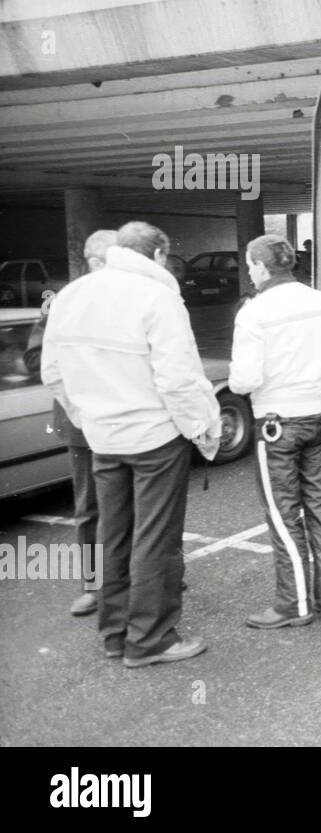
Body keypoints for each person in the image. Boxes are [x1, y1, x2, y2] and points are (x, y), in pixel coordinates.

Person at [42, 221, 220, 667]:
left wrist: (87, 416)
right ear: (158, 255)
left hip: (102, 436)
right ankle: (150, 640)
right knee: (155, 539)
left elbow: (53, 373)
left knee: (112, 535)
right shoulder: (157, 297)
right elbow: (177, 379)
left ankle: (114, 634)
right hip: (155, 437)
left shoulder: (71, 296)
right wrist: (200, 428)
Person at [229, 235, 321, 629]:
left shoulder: (254, 313)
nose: (249, 271)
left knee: (284, 516)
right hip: (317, 415)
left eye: (249, 264)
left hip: (277, 422)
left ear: (262, 267)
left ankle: (293, 606)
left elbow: (244, 380)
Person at [27, 229, 117, 616]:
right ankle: (95, 587)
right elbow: (35, 359)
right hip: (83, 424)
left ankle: (155, 573)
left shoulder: (139, 299)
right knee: (91, 509)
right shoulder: (61, 303)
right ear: (95, 262)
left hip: (133, 422)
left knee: (145, 504)